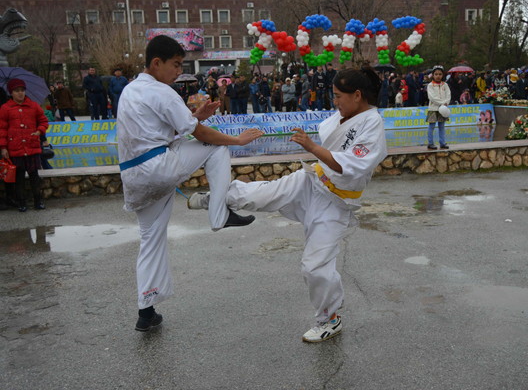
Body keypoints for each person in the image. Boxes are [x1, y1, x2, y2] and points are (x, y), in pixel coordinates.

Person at [188, 67, 388, 343]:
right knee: (260, 194)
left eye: (338, 96)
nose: (335, 101)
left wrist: (312, 147)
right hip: (311, 180)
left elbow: (352, 165)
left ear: (357, 95)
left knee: (315, 266)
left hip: (336, 203)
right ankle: (216, 199)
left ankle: (329, 319)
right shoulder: (347, 115)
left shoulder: (373, 124)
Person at [116, 35, 263, 331]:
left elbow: (159, 131)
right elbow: (200, 134)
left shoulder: (130, 90)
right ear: (156, 63)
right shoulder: (162, 91)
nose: (178, 71)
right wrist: (237, 140)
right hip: (159, 167)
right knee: (218, 146)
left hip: (134, 177)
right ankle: (219, 215)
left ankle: (146, 311)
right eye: (175, 65)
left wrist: (195, 116)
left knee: (150, 239)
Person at [0, 78, 49, 212]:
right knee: (19, 178)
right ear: (11, 93)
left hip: (32, 147)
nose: (20, 93)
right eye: (17, 91)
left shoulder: (33, 106)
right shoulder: (5, 108)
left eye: (22, 90)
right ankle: (22, 203)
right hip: (15, 148)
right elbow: (2, 129)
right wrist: (3, 147)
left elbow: (44, 121)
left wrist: (39, 131)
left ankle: (38, 201)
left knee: (34, 176)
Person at [426, 65, 451, 150]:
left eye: (440, 74)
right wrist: (442, 103)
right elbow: (432, 97)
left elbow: (448, 94)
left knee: (442, 126)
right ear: (433, 75)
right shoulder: (430, 85)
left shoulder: (445, 85)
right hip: (433, 109)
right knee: (431, 126)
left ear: (442, 75)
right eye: (436, 74)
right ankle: (430, 143)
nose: (438, 76)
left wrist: (446, 102)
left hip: (443, 109)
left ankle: (442, 143)